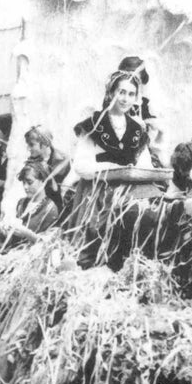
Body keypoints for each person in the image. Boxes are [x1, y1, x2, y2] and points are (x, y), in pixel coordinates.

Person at [70, 69, 155, 266]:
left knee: (146, 215)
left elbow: (145, 165)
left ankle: (131, 263)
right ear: (111, 93)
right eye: (121, 92)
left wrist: (137, 172)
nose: (125, 99)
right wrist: (110, 168)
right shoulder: (94, 124)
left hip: (130, 191)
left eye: (131, 94)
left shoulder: (137, 128)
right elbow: (81, 166)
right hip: (98, 193)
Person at [0, 160, 59, 248]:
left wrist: (27, 234)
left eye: (30, 182)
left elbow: (48, 245)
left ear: (43, 181)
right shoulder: (22, 203)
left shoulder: (50, 209)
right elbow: (11, 243)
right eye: (23, 183)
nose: (25, 187)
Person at [23, 125, 71, 211]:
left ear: (45, 143)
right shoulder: (33, 159)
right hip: (39, 205)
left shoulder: (62, 161)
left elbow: (62, 191)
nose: (28, 148)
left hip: (57, 207)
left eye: (32, 145)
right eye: (28, 145)